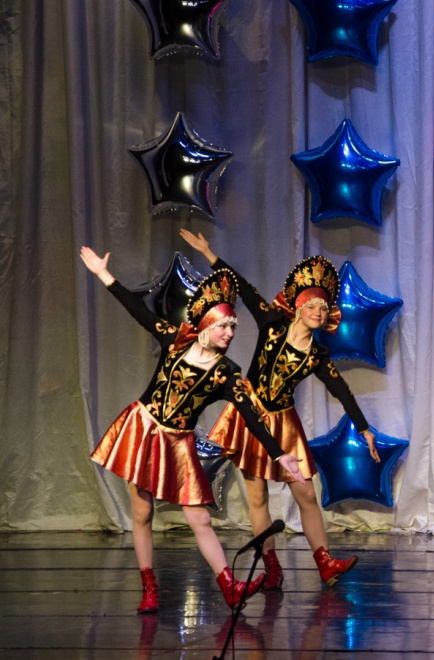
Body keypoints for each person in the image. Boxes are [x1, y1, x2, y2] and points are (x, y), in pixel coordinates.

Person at [79, 246, 307, 613]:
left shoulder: (226, 373)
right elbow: (138, 310)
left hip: (178, 443)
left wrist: (279, 453)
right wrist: (104, 275)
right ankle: (149, 588)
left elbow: (251, 415)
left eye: (233, 327)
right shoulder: (175, 340)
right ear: (205, 326)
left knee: (199, 517)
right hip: (144, 430)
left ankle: (229, 585)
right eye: (224, 326)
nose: (230, 333)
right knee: (142, 514)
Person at [180, 230, 376, 589]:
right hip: (249, 415)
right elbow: (244, 288)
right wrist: (209, 253)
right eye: (312, 306)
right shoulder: (272, 324)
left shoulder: (317, 355)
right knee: (257, 497)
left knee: (306, 494)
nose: (318, 312)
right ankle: (271, 567)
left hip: (284, 421)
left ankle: (325, 562)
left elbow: (341, 390)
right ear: (299, 308)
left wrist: (364, 428)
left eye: (323, 308)